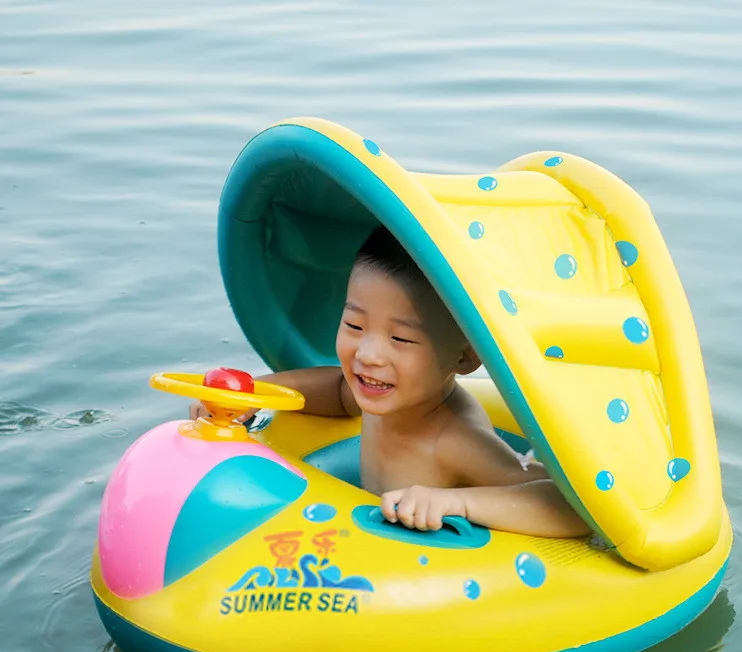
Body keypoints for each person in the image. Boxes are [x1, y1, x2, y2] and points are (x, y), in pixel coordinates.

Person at [191, 226, 588, 539]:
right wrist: (254, 394)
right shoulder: (381, 393)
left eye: (401, 338)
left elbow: (569, 506)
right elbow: (337, 393)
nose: (368, 354)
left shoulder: (453, 440)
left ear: (465, 356)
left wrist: (459, 504)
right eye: (354, 325)